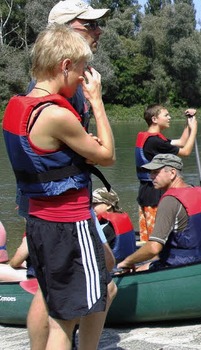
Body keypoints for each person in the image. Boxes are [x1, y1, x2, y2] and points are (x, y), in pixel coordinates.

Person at [2, 24, 116, 349]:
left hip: (39, 225)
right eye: (81, 70)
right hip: (69, 226)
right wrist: (96, 101)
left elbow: (45, 156)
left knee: (59, 314)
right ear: (65, 66)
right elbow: (107, 156)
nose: (83, 78)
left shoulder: (17, 108)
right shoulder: (56, 115)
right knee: (67, 322)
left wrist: (78, 149)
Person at [118, 154, 201, 272]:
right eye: (150, 173)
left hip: (181, 267)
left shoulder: (169, 200)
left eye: (155, 172)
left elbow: (154, 248)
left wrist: (127, 261)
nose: (151, 176)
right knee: (148, 264)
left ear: (172, 173)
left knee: (129, 270)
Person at [136, 105, 198, 242]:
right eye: (166, 115)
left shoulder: (149, 138)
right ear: (154, 119)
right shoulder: (155, 142)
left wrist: (188, 122)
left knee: (148, 238)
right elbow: (186, 151)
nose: (169, 118)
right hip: (154, 193)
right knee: (157, 238)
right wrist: (194, 130)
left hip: (145, 192)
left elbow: (182, 142)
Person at [92, 187, 136, 262]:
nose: (91, 207)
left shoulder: (107, 227)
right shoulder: (119, 217)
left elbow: (94, 250)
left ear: (109, 205)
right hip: (123, 259)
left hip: (113, 265)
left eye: (95, 204)